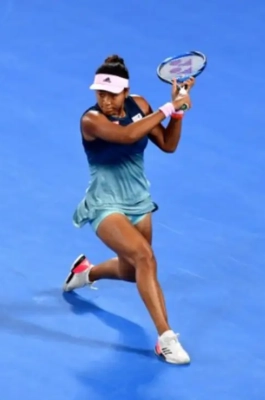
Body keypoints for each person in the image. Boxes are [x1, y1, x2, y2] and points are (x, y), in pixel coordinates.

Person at [63, 54, 195, 365]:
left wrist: (177, 114)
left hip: (138, 201)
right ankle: (166, 339)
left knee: (134, 271)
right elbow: (127, 136)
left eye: (112, 94)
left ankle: (85, 272)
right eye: (100, 94)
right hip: (104, 203)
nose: (105, 101)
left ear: (126, 91)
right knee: (146, 258)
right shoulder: (91, 120)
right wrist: (169, 106)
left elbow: (168, 144)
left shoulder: (141, 105)